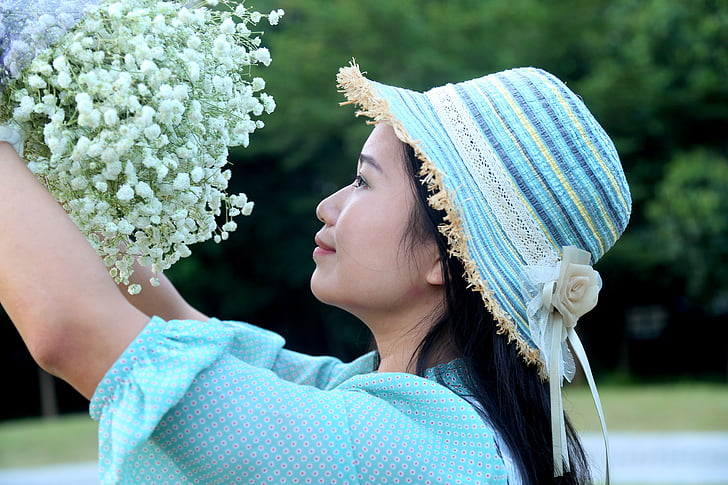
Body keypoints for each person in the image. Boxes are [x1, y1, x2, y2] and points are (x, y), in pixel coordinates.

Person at [0, 61, 631, 484]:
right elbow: (178, 327)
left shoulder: (402, 450)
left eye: (362, 180)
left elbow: (73, 329)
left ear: (447, 252)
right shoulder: (417, 411)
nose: (328, 206)